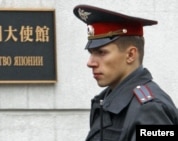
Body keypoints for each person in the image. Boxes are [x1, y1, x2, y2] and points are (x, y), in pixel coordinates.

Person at [73, 4, 178, 141]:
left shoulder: (150, 109)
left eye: (101, 52)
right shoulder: (105, 100)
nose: (90, 62)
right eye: (91, 53)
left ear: (130, 55)